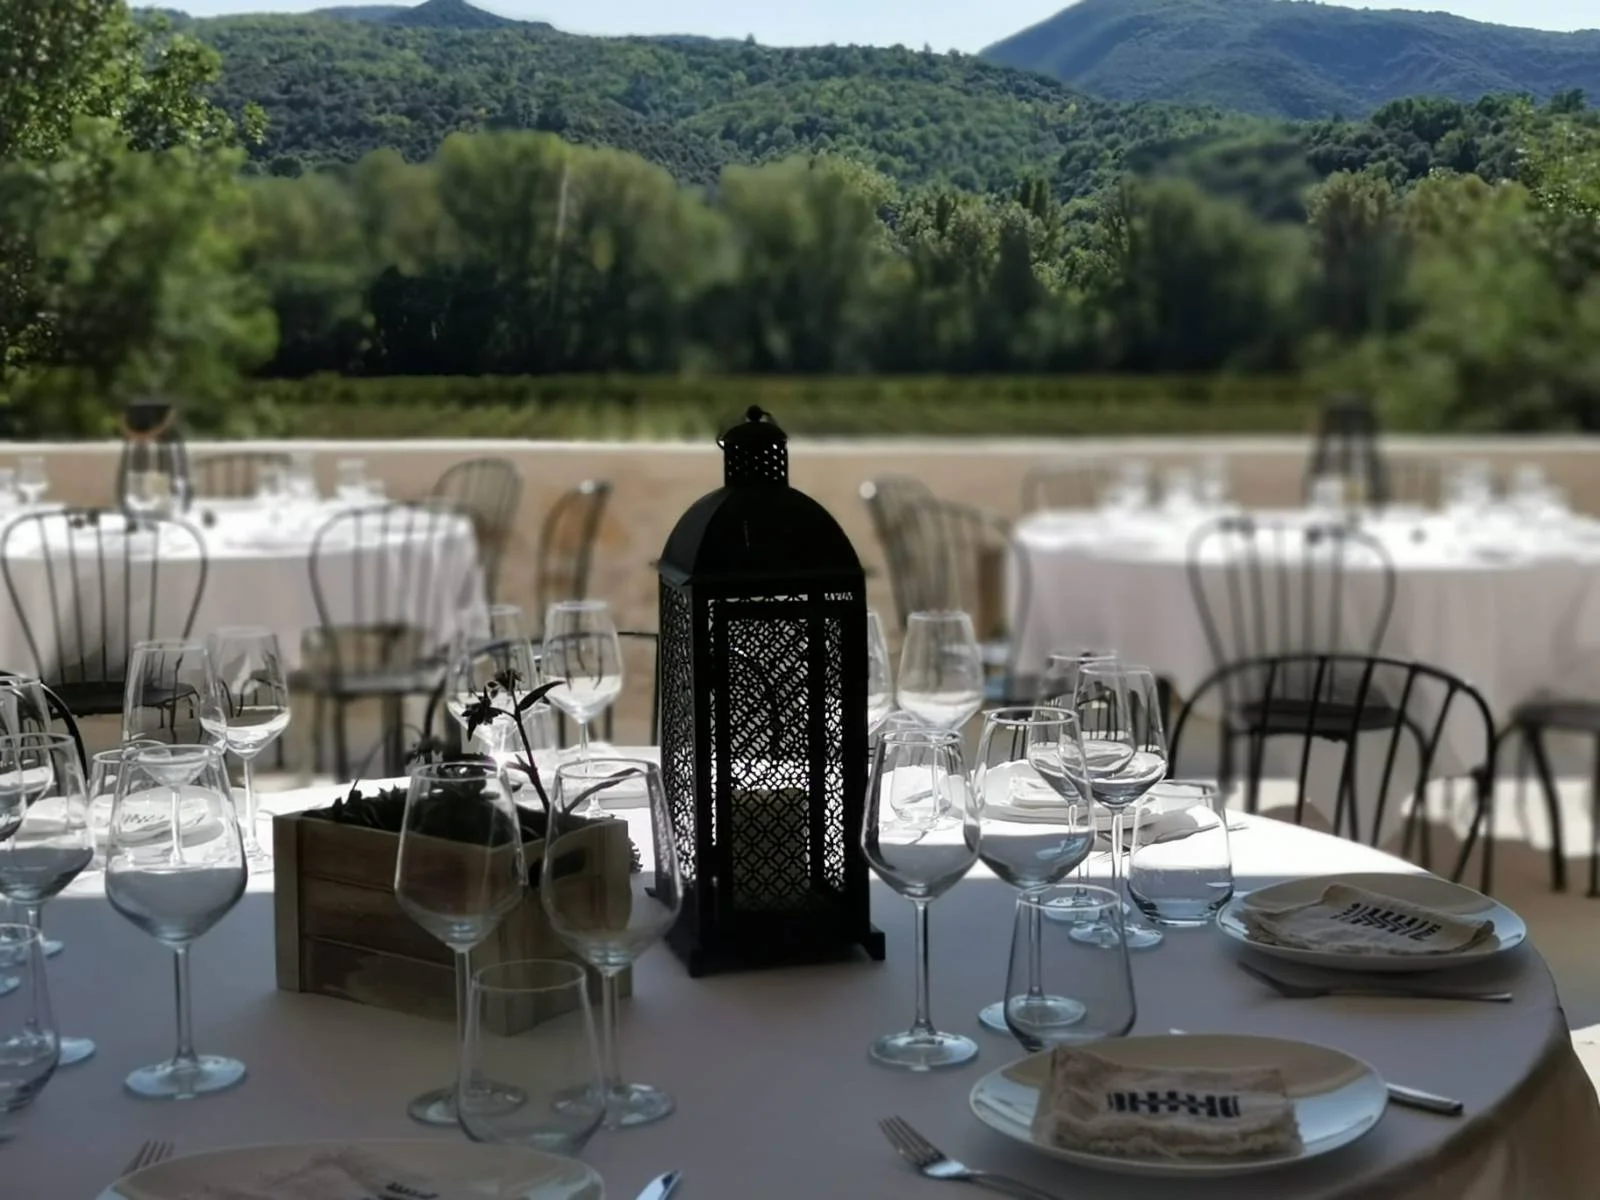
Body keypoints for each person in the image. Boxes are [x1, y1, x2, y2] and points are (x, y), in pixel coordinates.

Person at [115, 397, 191, 514]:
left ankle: (162, 506)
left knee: (162, 481)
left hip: (164, 445)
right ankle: (139, 513)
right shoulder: (135, 449)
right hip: (139, 508)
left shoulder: (168, 447)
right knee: (137, 483)